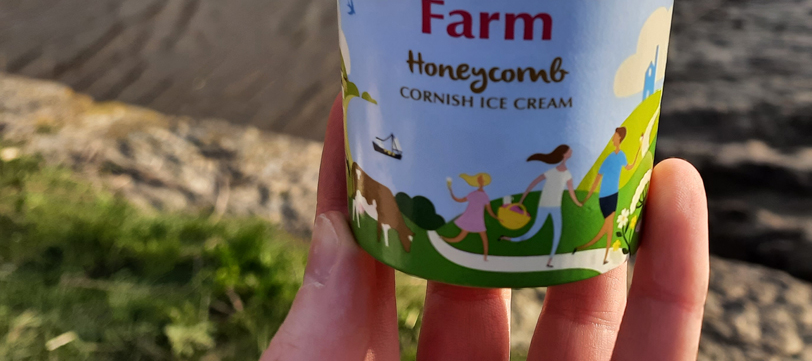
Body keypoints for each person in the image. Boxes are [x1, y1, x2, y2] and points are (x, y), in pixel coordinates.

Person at [261, 93, 708, 361]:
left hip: (575, 205)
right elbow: (537, 182)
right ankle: (510, 239)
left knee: (543, 232)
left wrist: (576, 196)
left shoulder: (571, 171)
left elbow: (568, 187)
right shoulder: (540, 176)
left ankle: (534, 241)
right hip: (528, 211)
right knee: (523, 233)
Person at [499, 144, 583, 267]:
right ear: (564, 154)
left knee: (558, 232)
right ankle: (508, 239)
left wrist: (578, 203)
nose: (571, 151)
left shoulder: (567, 174)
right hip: (544, 205)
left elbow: (571, 192)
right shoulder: (551, 172)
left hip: (556, 207)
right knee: (534, 230)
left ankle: (550, 260)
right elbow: (533, 183)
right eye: (569, 150)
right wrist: (522, 199)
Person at [574, 126, 639, 264]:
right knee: (607, 226)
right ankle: (590, 249)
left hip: (612, 194)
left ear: (619, 138)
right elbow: (597, 178)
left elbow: (629, 167)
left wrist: (639, 150)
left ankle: (601, 255)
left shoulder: (621, 155)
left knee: (608, 225)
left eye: (615, 135)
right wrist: (587, 197)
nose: (613, 138)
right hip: (605, 195)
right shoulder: (609, 157)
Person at [441, 172, 498, 260]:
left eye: (482, 180)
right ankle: (443, 238)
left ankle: (485, 257)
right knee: (460, 237)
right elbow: (459, 200)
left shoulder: (485, 196)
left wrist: (496, 217)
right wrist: (451, 192)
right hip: (469, 218)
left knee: (484, 239)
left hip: (478, 219)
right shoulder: (473, 194)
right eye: (479, 179)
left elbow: (490, 211)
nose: (481, 181)